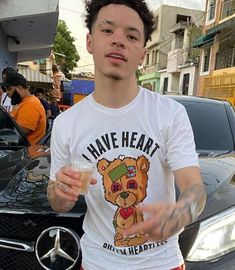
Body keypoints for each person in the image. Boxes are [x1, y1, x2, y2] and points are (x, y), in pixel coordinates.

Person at [47, 1, 206, 270]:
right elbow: (57, 199)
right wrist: (61, 193)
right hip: (98, 262)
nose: (119, 40)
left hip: (161, 263)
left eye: (131, 36)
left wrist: (182, 212)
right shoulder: (67, 124)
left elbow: (195, 189)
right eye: (107, 31)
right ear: (89, 41)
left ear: (143, 53)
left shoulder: (169, 114)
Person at [4, 72, 46, 145]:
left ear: (19, 88)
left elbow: (16, 136)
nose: (7, 93)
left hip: (25, 152)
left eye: (10, 89)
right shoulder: (22, 103)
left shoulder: (31, 104)